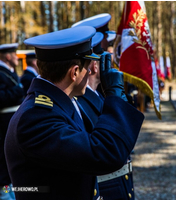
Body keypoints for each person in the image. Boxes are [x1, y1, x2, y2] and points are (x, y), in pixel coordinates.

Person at [4, 26, 144, 200]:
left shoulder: (58, 104)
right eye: (88, 67)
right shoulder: (36, 117)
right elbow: (103, 153)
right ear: (75, 72)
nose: (92, 71)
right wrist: (115, 95)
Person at [74, 16, 136, 200]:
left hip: (120, 183)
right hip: (105, 189)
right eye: (104, 58)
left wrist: (118, 95)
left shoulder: (99, 94)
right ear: (94, 65)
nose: (109, 63)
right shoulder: (80, 101)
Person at [0, 43, 24, 200]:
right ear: (8, 56)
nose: (17, 57)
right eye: (14, 54)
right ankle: (5, 193)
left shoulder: (9, 72)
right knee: (4, 159)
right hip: (3, 123)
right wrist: (18, 90)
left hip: (12, 121)